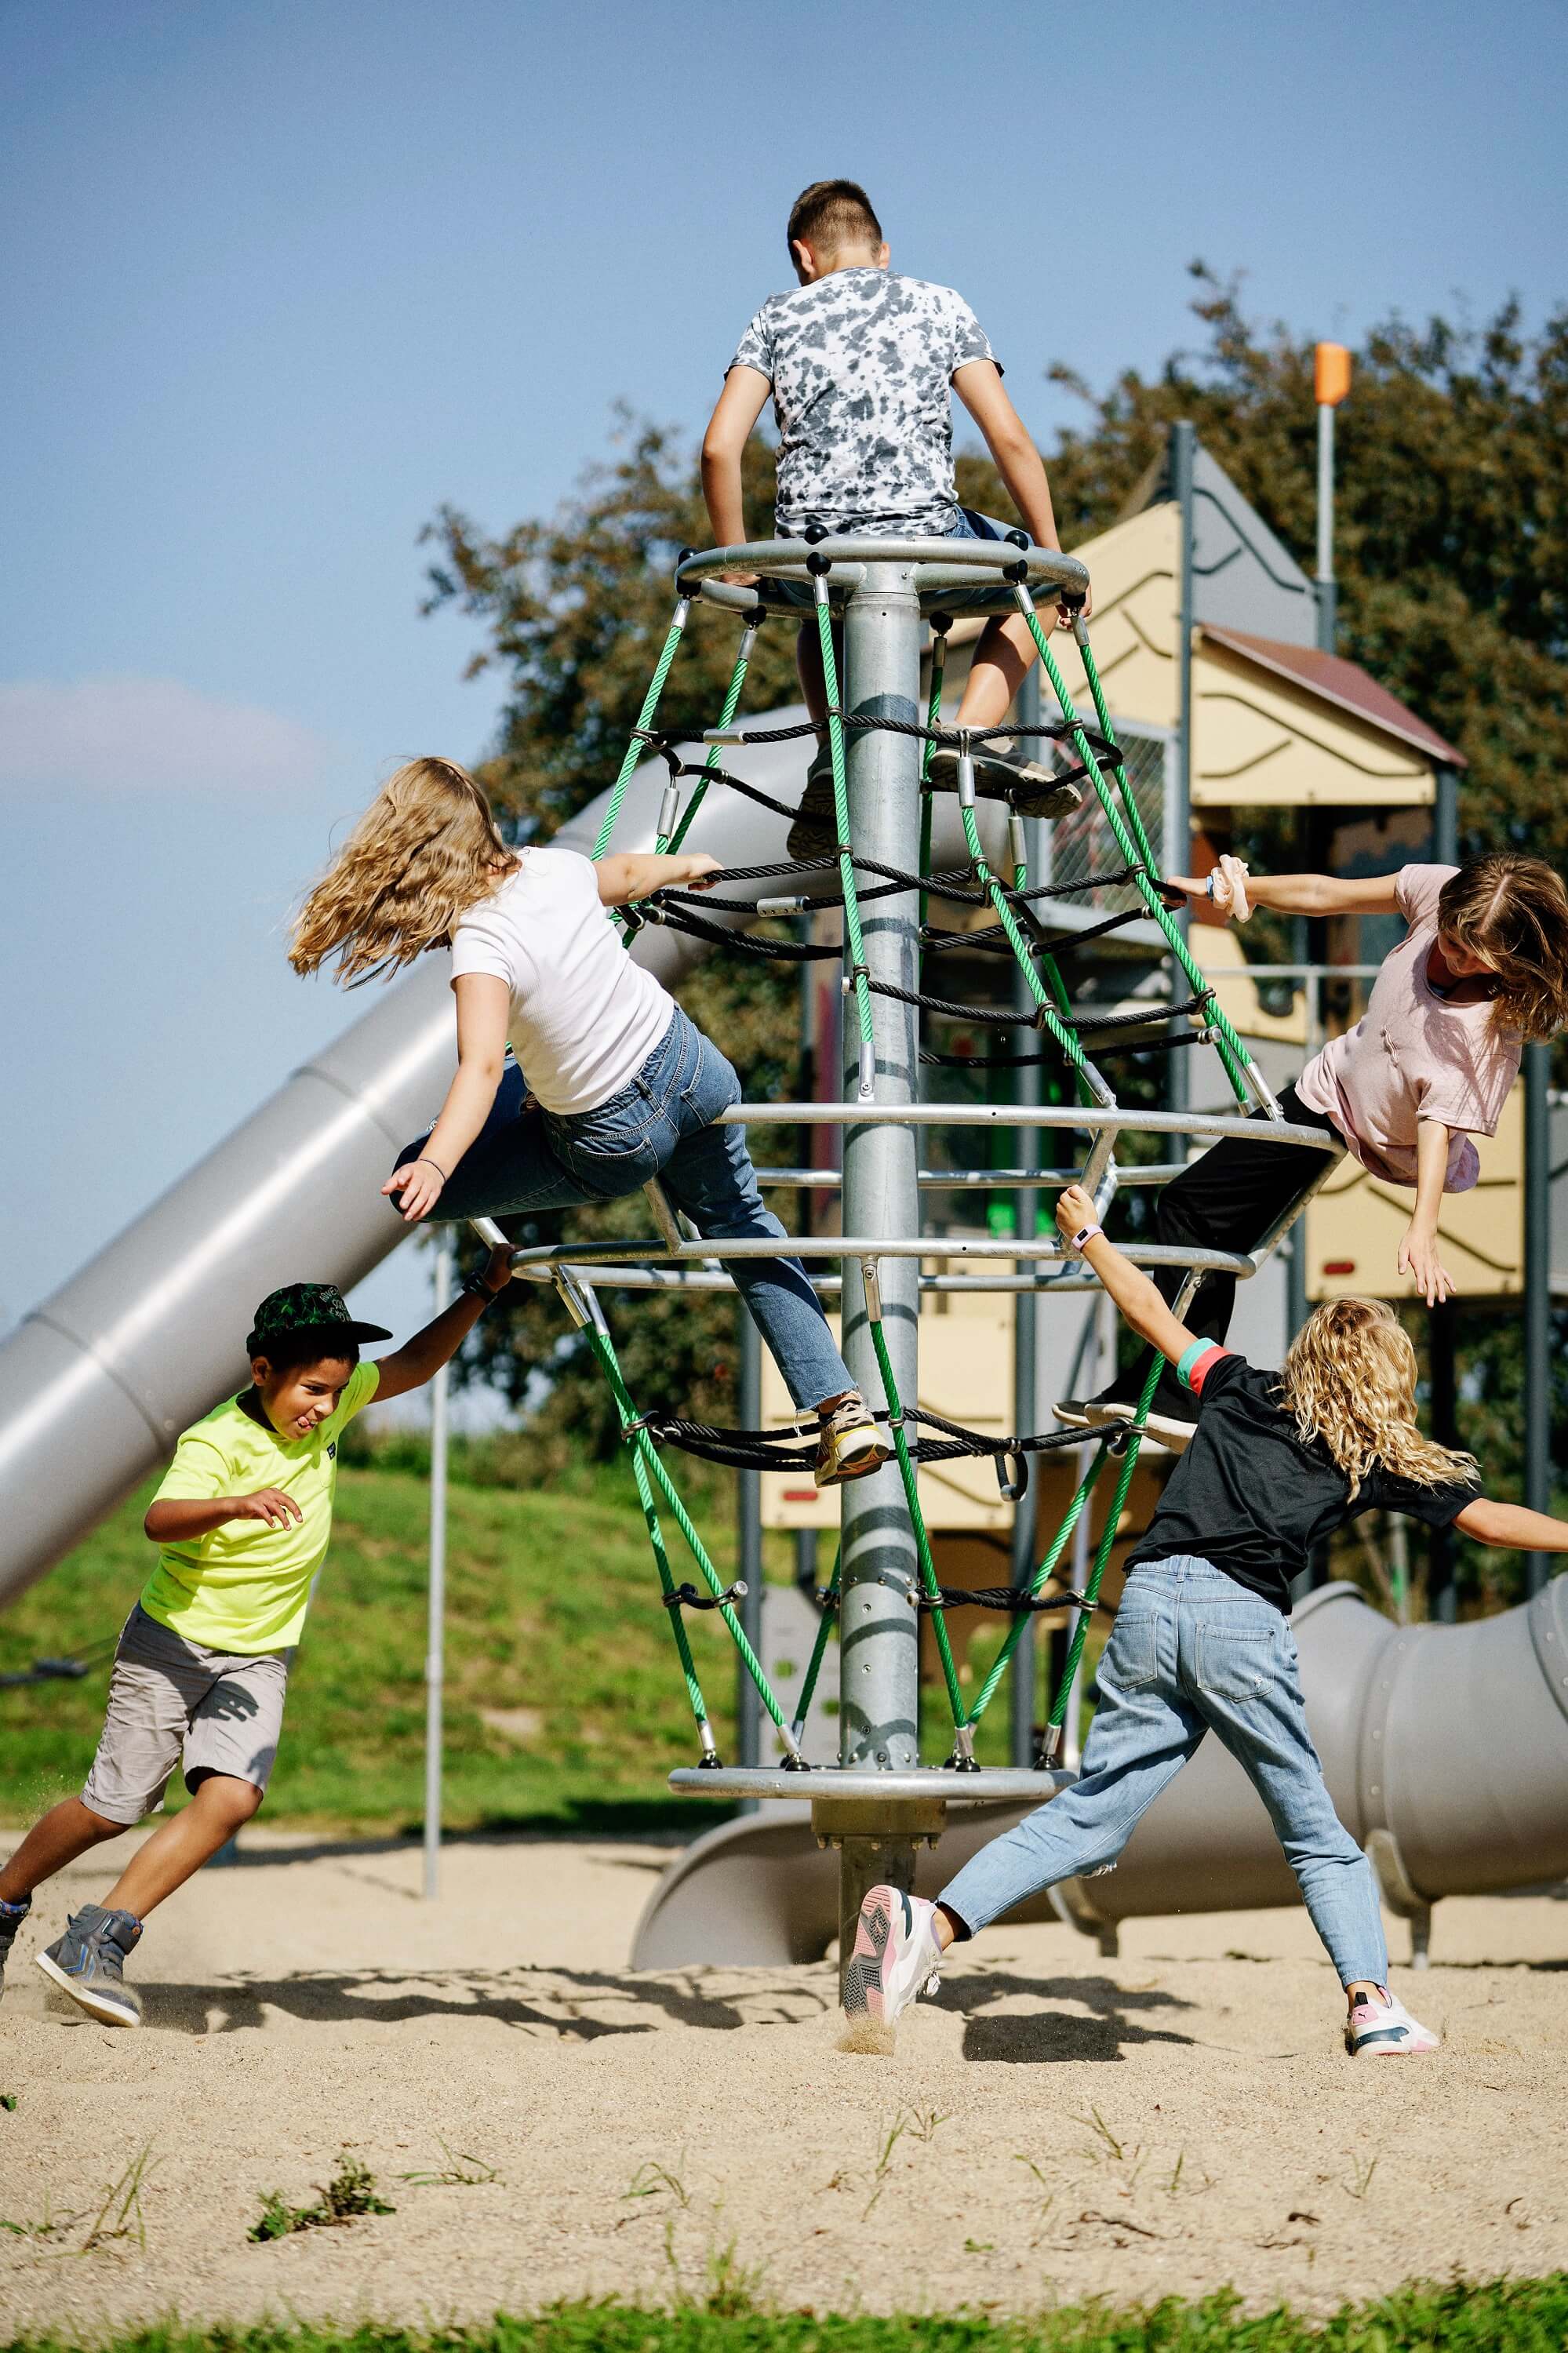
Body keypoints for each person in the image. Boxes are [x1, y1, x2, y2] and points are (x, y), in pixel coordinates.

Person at [846, 1183, 1568, 2057]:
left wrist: (1092, 1239)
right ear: (1387, 1378)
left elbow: (1152, 1310)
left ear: (1305, 1357)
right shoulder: (1371, 1451)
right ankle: (1373, 2004)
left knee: (1096, 1815)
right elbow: (1488, 1519)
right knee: (1315, 1833)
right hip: (1237, 1621)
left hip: (1147, 1602)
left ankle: (932, 1924)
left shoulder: (1237, 1386)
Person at [288, 758, 882, 1486]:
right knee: (743, 1225)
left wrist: (437, 1166)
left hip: (614, 1136)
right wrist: (686, 863)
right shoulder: (550, 866)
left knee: (429, 1159)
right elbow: (627, 876)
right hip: (692, 1067)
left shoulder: (480, 944)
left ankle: (530, 1111)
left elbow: (477, 1069)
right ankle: (839, 1407)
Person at [0, 1264, 513, 2026]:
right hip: (170, 1646)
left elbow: (416, 1362)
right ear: (263, 1370)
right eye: (312, 1390)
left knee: (233, 1797)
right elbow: (159, 1518)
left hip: (261, 1654)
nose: (327, 1407)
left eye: (337, 1391)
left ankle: (98, 1937)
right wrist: (234, 1504)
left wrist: (481, 1291)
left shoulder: (332, 1409)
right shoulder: (218, 1439)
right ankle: (6, 1898)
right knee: (114, 1809)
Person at [1058, 851, 1568, 1449]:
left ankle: (1180, 1389)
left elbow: (1436, 1129)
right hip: (1327, 1086)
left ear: (1508, 960)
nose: (1451, 955)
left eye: (1469, 953)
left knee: (1193, 1211)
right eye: (1450, 939)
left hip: (1377, 1131)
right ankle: (1162, 1388)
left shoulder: (1483, 1036)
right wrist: (1216, 888)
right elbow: (1327, 891)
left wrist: (1423, 1226)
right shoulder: (1440, 894)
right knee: (1197, 1215)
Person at [700, 177, 1086, 857]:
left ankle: (829, 758)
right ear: (882, 252)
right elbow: (1009, 439)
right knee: (1038, 599)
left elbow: (718, 447)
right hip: (927, 542)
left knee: (818, 592)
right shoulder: (938, 304)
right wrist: (1056, 565)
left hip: (810, 553)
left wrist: (739, 561)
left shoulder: (775, 315)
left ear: (803, 256)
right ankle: (965, 737)